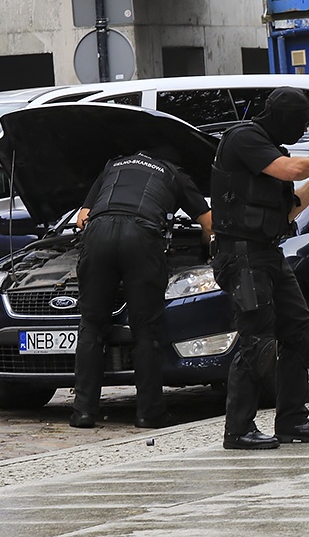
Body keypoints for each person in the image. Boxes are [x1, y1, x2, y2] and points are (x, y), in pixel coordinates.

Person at [211, 86, 309, 450]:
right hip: (242, 258)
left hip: (267, 254)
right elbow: (289, 169)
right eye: (300, 122)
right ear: (282, 117)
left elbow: (291, 208)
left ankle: (293, 421)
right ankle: (238, 430)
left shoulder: (269, 148)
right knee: (256, 340)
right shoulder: (244, 139)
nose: (302, 130)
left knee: (301, 331)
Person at [71, 151, 213, 429]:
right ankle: (149, 413)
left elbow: (82, 218)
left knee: (91, 324)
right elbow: (208, 223)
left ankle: (83, 413)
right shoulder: (174, 173)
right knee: (145, 329)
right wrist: (210, 251)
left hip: (98, 233)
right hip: (142, 235)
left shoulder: (112, 165)